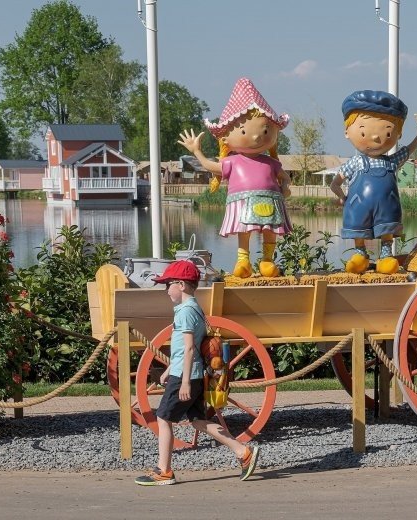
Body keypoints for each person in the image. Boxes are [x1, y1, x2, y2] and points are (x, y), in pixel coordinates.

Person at [135, 260, 259, 486]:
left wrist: (182, 382)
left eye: (167, 284)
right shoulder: (192, 309)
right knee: (199, 421)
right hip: (190, 373)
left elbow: (191, 347)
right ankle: (243, 452)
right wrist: (169, 370)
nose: (165, 290)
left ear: (181, 285)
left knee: (163, 417)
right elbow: (184, 349)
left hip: (187, 376)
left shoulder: (185, 312)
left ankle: (164, 471)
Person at [178, 77, 292, 278]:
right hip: (242, 202)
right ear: (225, 137)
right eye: (245, 131)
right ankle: (243, 261)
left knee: (269, 230)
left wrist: (285, 187)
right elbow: (211, 166)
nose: (256, 137)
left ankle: (267, 260)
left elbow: (285, 177)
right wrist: (197, 151)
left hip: (270, 200)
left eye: (265, 131)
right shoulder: (233, 161)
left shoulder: (271, 163)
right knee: (244, 230)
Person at [330, 90, 417, 274]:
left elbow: (408, 151)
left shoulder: (391, 161)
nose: (376, 137)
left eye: (387, 132)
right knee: (359, 231)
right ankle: (360, 255)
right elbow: (335, 183)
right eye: (363, 130)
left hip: (386, 207)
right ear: (347, 132)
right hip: (358, 207)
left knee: (386, 229)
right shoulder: (355, 162)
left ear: (398, 134)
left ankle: (386, 256)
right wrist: (343, 197)